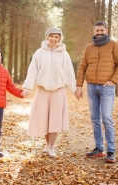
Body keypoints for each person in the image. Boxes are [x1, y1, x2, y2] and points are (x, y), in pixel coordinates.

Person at [75, 21, 118, 163]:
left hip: (106, 88)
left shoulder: (113, 45)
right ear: (94, 31)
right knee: (95, 118)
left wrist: (113, 81)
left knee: (106, 118)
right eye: (97, 30)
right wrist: (79, 86)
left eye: (101, 30)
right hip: (91, 87)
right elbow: (82, 66)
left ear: (106, 30)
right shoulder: (89, 48)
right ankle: (99, 148)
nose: (99, 33)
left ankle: (110, 150)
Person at [22, 27, 76, 157]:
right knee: (44, 118)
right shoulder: (39, 53)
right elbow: (33, 70)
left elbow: (69, 72)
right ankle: (47, 144)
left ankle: (51, 146)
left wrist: (74, 89)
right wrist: (28, 87)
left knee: (55, 119)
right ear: (47, 37)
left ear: (59, 39)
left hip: (58, 91)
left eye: (56, 37)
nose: (53, 39)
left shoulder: (64, 54)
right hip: (42, 90)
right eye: (51, 36)